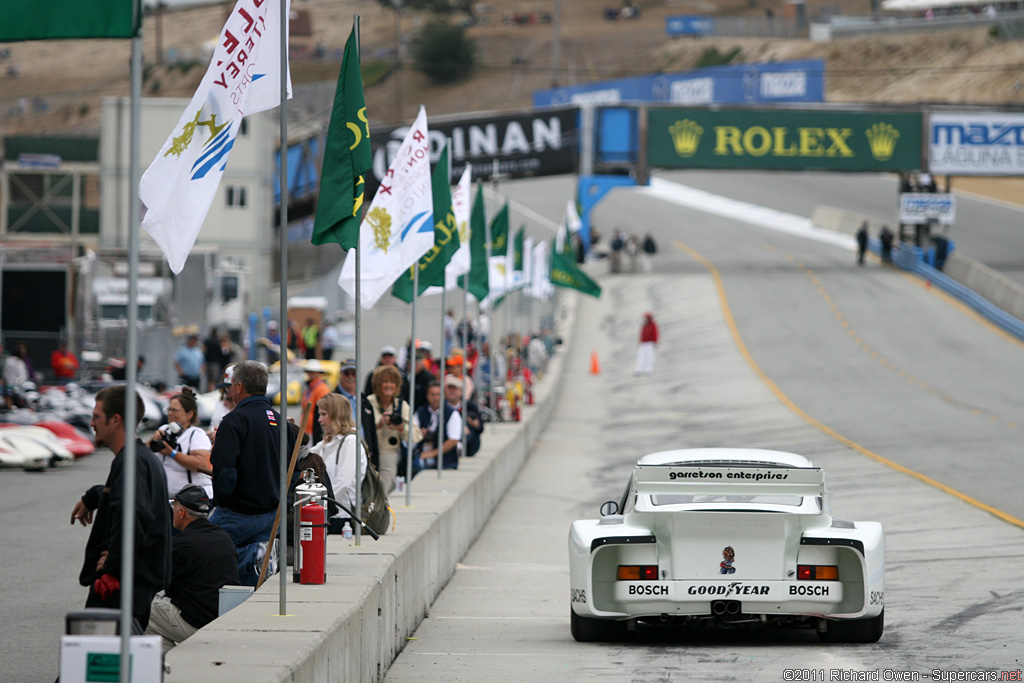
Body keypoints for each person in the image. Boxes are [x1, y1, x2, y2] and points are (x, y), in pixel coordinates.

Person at [70, 385, 171, 630]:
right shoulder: (139, 458)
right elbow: (123, 498)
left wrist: (114, 565)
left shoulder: (132, 462)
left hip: (122, 583)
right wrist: (94, 497)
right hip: (135, 581)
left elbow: (134, 514)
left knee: (96, 659)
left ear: (115, 420)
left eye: (96, 417)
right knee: (117, 660)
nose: (92, 424)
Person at [209, 360, 294, 586]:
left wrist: (222, 500)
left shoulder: (234, 421)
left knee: (200, 550)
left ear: (238, 386)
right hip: (271, 514)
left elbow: (225, 471)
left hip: (237, 512)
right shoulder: (280, 421)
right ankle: (244, 596)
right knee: (249, 566)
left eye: (230, 387)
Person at [145, 485, 239, 651]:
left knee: (139, 605)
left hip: (199, 625)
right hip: (223, 621)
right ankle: (170, 658)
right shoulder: (223, 537)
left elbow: (151, 581)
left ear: (181, 512)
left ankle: (164, 661)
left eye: (173, 506)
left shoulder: (181, 545)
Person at [311, 394, 368, 534]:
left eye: (324, 414)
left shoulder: (350, 442)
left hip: (342, 516)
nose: (319, 420)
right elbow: (306, 456)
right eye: (319, 414)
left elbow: (343, 483)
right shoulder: (328, 441)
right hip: (329, 513)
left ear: (337, 414)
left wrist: (320, 507)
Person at [149, 387, 214, 498]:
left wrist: (172, 453)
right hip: (165, 496)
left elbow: (203, 465)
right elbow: (141, 454)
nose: (170, 413)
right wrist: (152, 441)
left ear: (190, 414)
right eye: (168, 410)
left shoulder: (196, 435)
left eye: (174, 410)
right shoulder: (164, 430)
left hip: (192, 499)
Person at [367, 365, 421, 493]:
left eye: (392, 382)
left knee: (386, 487)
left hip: (389, 451)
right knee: (367, 490)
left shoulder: (401, 405)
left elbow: (417, 435)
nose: (389, 385)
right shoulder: (367, 403)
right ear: (377, 384)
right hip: (368, 452)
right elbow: (358, 429)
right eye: (385, 381)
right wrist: (378, 425)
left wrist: (402, 427)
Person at [415, 380, 463, 471]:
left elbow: (453, 439)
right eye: (432, 394)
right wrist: (419, 433)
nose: (436, 398)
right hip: (421, 459)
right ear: (427, 396)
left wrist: (433, 453)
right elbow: (412, 431)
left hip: (445, 463)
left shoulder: (452, 414)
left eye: (439, 394)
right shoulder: (421, 412)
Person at [445, 375, 482, 458]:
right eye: (449, 389)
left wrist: (475, 425)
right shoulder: (442, 406)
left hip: (470, 445)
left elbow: (481, 428)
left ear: (461, 392)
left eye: (454, 389)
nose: (452, 391)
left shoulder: (470, 406)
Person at [301, 359, 331, 442]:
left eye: (314, 371)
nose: (311, 374)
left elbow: (323, 411)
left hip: (316, 429)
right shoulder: (309, 388)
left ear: (318, 373)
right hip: (306, 428)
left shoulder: (322, 389)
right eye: (309, 371)